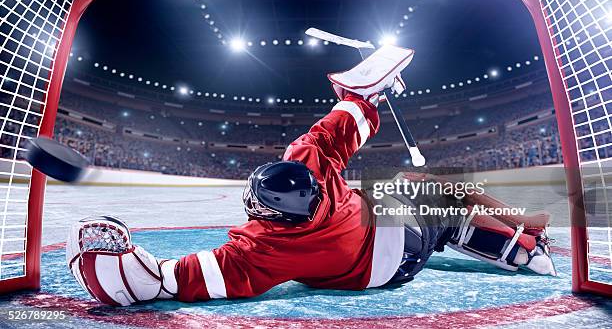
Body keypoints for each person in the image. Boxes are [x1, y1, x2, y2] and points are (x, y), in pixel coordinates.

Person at [66, 48, 556, 306]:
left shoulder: (265, 248)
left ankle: (519, 242)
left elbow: (178, 279)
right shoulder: (310, 166)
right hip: (385, 233)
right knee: (443, 196)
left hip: (381, 265)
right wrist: (364, 96)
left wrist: (132, 273)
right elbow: (337, 127)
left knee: (428, 195)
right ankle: (523, 243)